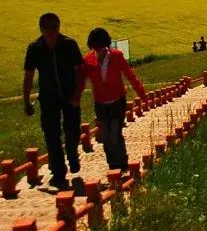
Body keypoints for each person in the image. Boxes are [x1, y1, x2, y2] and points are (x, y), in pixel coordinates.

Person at [22, 13, 83, 189]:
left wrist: (77, 95)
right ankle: (58, 171)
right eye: (48, 27)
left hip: (70, 94)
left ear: (59, 27)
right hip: (48, 97)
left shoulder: (69, 44)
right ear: (41, 28)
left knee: (72, 129)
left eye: (55, 27)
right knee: (51, 133)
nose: (52, 31)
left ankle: (72, 153)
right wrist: (26, 101)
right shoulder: (34, 48)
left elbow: (79, 72)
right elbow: (28, 75)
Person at [77, 28, 147, 172]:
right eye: (95, 47)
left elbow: (130, 75)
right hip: (100, 103)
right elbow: (81, 82)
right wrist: (75, 98)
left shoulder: (116, 56)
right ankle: (112, 165)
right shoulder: (88, 60)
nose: (98, 50)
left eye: (101, 46)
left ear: (106, 44)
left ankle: (122, 163)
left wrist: (142, 93)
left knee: (115, 133)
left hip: (117, 101)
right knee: (106, 136)